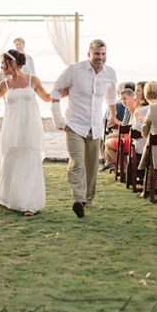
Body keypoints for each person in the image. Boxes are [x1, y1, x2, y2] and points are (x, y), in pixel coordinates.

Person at [0, 49, 51, 215]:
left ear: (12, 63)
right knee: (13, 159)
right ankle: (12, 196)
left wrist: (63, 92)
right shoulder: (5, 84)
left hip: (30, 127)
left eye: (3, 63)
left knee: (30, 160)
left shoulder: (33, 80)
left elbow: (46, 97)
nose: (1, 67)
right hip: (12, 127)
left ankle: (29, 203)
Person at [51, 39, 118, 218]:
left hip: (95, 127)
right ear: (89, 54)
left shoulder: (110, 73)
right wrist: (57, 116)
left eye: (103, 54)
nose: (100, 57)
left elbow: (111, 97)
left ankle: (88, 199)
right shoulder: (74, 70)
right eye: (97, 54)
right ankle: (77, 199)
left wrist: (112, 115)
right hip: (74, 124)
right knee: (77, 162)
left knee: (91, 166)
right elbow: (55, 89)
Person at [102, 88, 138, 172]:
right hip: (130, 136)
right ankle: (122, 166)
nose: (123, 101)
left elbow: (126, 127)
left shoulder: (131, 109)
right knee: (109, 138)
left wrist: (116, 123)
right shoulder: (131, 108)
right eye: (121, 99)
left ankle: (122, 167)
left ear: (131, 97)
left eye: (125, 98)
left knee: (107, 142)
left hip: (128, 137)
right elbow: (126, 125)